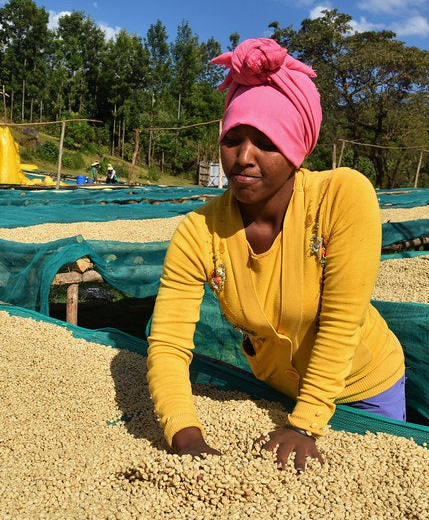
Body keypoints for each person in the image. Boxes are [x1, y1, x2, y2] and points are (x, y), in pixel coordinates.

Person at [146, 38, 406, 472]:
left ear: (295, 149)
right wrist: (184, 433)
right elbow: (169, 342)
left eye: (264, 141)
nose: (243, 157)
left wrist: (304, 426)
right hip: (280, 390)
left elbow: (342, 323)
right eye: (233, 139)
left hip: (364, 388)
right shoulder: (199, 232)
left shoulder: (341, 197)